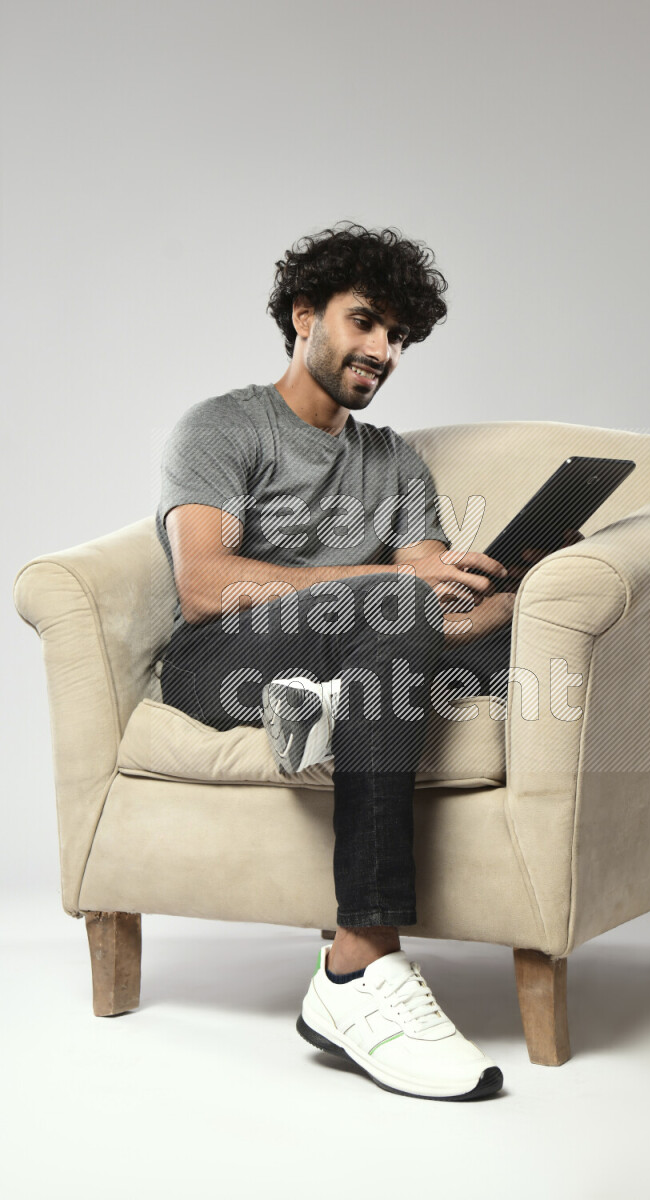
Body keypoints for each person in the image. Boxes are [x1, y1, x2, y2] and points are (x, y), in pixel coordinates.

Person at [155, 223, 523, 1101]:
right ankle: (357, 965)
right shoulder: (225, 427)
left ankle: (328, 704)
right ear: (304, 314)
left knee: (509, 629)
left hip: (371, 648)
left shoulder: (393, 462)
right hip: (218, 660)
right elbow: (206, 584)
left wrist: (500, 598)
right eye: (365, 323)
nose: (382, 350)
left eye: (397, 335)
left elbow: (435, 604)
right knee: (393, 606)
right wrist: (391, 577)